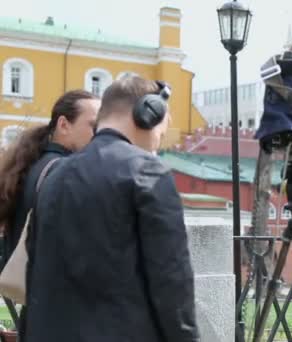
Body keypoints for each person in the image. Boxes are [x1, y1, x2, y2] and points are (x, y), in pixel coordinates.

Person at [24, 76, 200, 342]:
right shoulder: (147, 172)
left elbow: (34, 270)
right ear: (147, 114)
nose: (159, 140)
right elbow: (171, 280)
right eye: (162, 129)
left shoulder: (54, 175)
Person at [0, 89, 99, 334]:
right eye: (93, 126)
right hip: (60, 316)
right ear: (64, 124)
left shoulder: (28, 166)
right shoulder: (65, 172)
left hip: (33, 312)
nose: (100, 135)